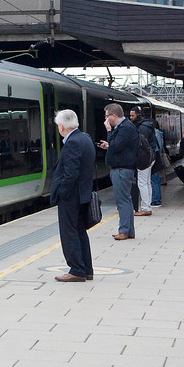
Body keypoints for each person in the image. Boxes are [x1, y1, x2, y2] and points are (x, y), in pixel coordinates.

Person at [50, 109, 96, 282]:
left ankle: (76, 269)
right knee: (79, 232)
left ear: (62, 126)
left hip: (71, 197)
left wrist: (62, 193)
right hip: (82, 194)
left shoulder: (72, 142)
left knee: (69, 232)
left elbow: (71, 174)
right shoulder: (85, 138)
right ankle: (87, 269)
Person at [98, 103, 138, 240]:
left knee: (122, 201)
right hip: (122, 168)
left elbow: (116, 146)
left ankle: (124, 231)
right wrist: (108, 145)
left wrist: (109, 131)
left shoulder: (126, 128)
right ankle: (129, 231)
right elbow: (117, 145)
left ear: (113, 116)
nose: (105, 119)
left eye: (106, 116)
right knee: (126, 200)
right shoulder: (124, 127)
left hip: (122, 169)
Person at [129, 106, 157, 216]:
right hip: (149, 157)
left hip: (144, 159)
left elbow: (141, 145)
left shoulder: (142, 128)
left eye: (132, 115)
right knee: (146, 182)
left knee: (142, 183)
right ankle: (147, 206)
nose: (130, 117)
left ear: (138, 115)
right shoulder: (146, 125)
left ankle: (145, 208)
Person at [150, 120, 166, 207]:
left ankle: (156, 200)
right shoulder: (159, 133)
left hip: (154, 157)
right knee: (156, 179)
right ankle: (157, 198)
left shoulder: (153, 134)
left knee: (153, 180)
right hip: (158, 156)